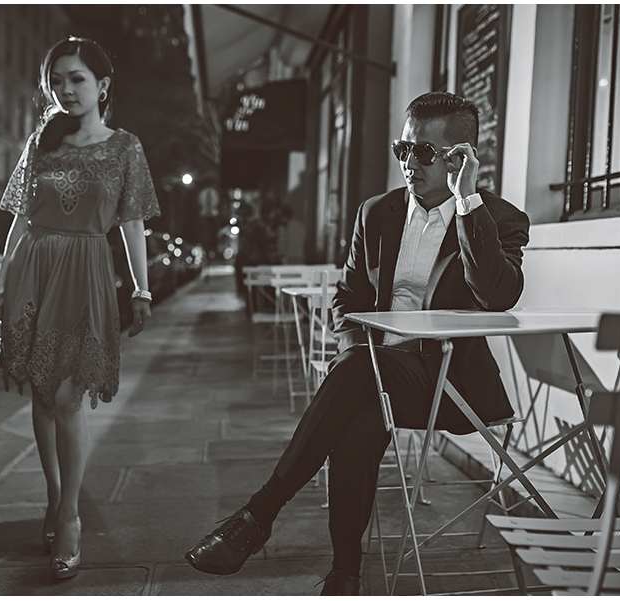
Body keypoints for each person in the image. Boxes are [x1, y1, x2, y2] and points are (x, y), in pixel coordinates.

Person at [184, 91, 530, 594]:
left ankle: (260, 514)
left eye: (425, 153)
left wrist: (466, 202)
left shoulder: (496, 218)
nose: (409, 163)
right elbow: (346, 301)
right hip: (374, 371)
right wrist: (359, 351)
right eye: (403, 149)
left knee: (353, 377)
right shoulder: (376, 213)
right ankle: (344, 572)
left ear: (459, 158)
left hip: (446, 383)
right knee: (359, 422)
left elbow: (498, 295)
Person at [0, 36, 160, 580]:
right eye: (57, 80)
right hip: (33, 270)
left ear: (102, 86)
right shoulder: (39, 142)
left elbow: (132, 224)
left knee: (68, 397)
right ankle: (54, 496)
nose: (66, 89)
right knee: (44, 395)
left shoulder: (125, 147)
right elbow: (19, 216)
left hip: (86, 272)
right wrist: (1, 282)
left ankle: (69, 516)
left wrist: (141, 289)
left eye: (77, 79)